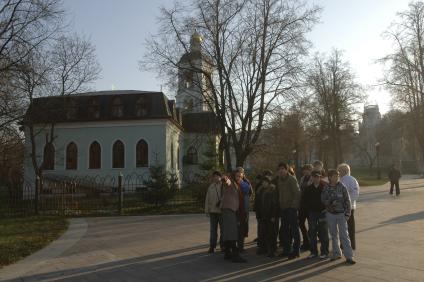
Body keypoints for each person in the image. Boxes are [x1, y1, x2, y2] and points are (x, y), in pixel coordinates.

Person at [321, 169, 356, 265]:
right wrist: (331, 201)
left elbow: (347, 201)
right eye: (334, 176)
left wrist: (347, 213)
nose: (336, 178)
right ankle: (336, 253)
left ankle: (349, 256)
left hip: (341, 214)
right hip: (331, 214)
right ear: (330, 177)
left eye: (337, 176)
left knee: (344, 235)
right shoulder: (326, 187)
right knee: (333, 234)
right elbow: (323, 200)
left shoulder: (342, 186)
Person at [276, 162, 301, 259]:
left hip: (291, 208)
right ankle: (286, 250)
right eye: (279, 169)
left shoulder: (292, 179)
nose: (281, 171)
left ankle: (296, 250)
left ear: (287, 170)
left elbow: (297, 193)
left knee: (294, 230)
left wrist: (294, 206)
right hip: (283, 208)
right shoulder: (279, 180)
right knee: (285, 231)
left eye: (283, 169)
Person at [302, 170, 329, 259]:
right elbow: (304, 201)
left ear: (320, 177)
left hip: (323, 213)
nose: (316, 178)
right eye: (314, 177)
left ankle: (324, 251)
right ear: (312, 178)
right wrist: (308, 210)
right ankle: (313, 252)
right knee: (312, 233)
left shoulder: (325, 187)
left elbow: (329, 199)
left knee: (323, 233)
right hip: (312, 214)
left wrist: (326, 209)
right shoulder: (308, 188)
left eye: (318, 177)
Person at [221, 174, 247, 263]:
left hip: (229, 210)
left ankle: (227, 253)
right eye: (237, 176)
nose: (239, 178)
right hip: (229, 210)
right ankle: (235, 255)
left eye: (240, 177)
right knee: (231, 232)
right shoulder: (231, 183)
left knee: (228, 231)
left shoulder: (238, 186)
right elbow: (226, 181)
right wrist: (225, 179)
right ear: (233, 177)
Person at [338, 163, 359, 250]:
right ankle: (350, 245)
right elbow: (355, 194)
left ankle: (346, 245)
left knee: (345, 227)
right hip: (350, 206)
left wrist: (347, 204)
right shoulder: (352, 179)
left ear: (344, 171)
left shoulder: (345, 180)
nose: (338, 173)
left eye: (339, 171)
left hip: (346, 207)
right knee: (349, 227)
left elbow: (354, 194)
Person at [258, 175, 279, 257]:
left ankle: (273, 250)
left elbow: (275, 204)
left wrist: (273, 215)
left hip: (271, 215)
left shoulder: (272, 190)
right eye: (263, 182)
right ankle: (265, 249)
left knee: (272, 233)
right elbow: (259, 203)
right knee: (264, 232)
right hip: (263, 215)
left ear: (269, 182)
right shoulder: (261, 190)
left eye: (266, 182)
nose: (264, 183)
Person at [204, 171, 224, 253]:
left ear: (220, 176)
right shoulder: (211, 187)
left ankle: (223, 245)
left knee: (223, 229)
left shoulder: (223, 185)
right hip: (213, 211)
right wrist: (207, 210)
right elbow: (207, 199)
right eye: (214, 176)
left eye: (217, 176)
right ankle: (212, 246)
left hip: (221, 211)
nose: (215, 178)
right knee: (213, 230)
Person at [235, 167, 252, 252]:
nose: (238, 176)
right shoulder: (233, 183)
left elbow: (249, 191)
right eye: (237, 174)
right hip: (236, 209)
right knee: (236, 228)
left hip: (244, 209)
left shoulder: (245, 183)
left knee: (242, 228)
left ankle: (240, 246)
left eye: (240, 174)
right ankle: (235, 246)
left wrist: (241, 183)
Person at [298, 164, 313, 251]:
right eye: (304, 170)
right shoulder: (302, 178)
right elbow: (300, 189)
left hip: (310, 205)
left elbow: (308, 188)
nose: (305, 171)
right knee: (300, 222)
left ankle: (309, 242)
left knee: (312, 225)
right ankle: (306, 240)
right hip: (302, 204)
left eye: (307, 170)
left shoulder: (312, 178)